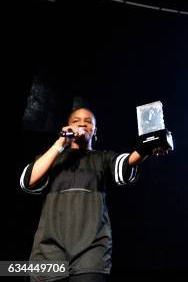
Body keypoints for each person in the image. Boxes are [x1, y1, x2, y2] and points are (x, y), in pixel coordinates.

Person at [19, 107, 162, 282]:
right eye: (76, 121)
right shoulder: (52, 158)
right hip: (49, 249)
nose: (82, 124)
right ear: (67, 126)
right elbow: (28, 182)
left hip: (91, 250)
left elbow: (125, 162)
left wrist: (146, 148)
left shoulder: (102, 158)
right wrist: (59, 143)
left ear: (95, 130)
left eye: (88, 122)